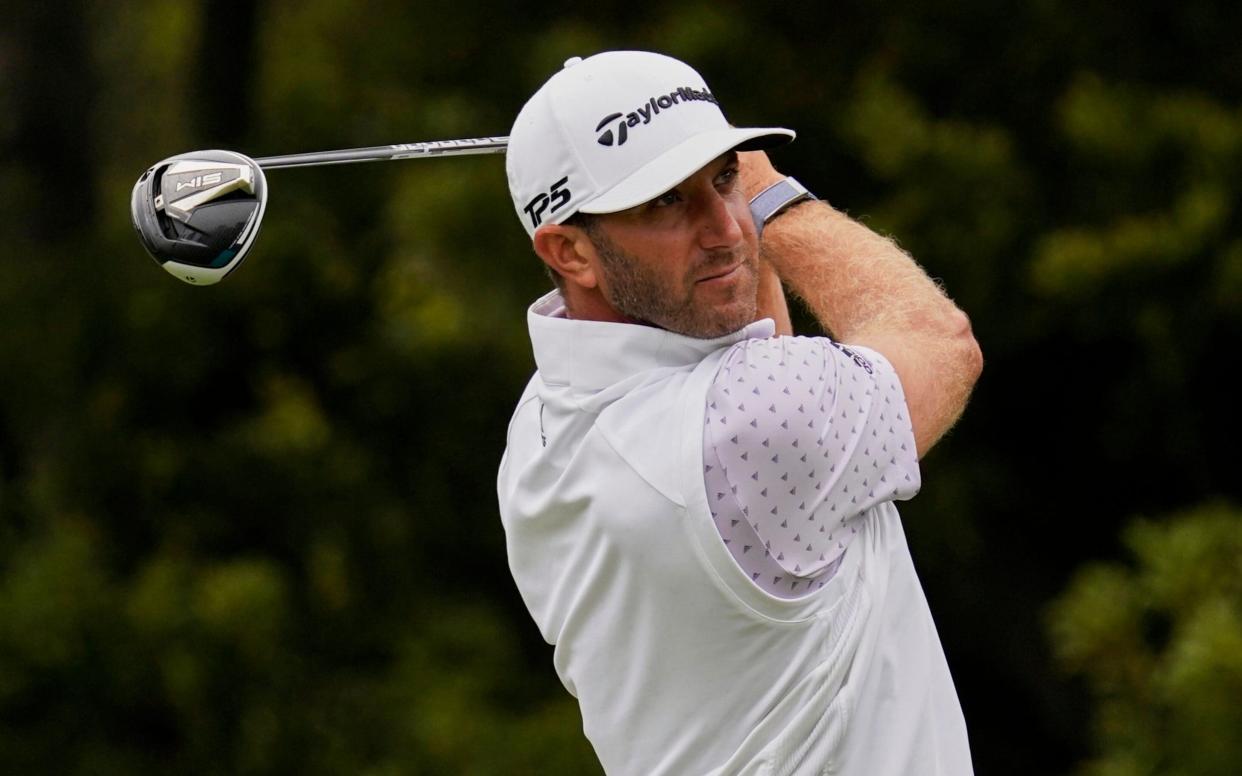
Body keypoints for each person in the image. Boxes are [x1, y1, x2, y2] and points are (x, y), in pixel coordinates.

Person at [497, 50, 983, 776]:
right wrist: (771, 193)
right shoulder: (751, 428)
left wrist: (704, 188)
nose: (724, 227)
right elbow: (940, 342)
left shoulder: (540, 432)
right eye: (666, 201)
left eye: (723, 179)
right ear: (569, 251)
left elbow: (758, 357)